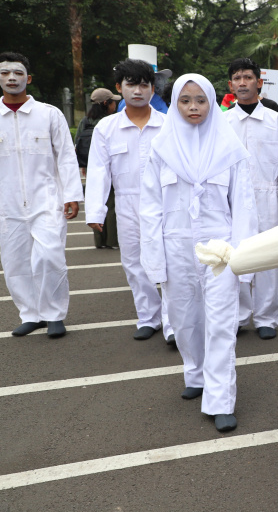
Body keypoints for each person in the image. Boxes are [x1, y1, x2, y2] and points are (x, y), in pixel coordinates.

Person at [140, 73, 257, 432]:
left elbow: (244, 206)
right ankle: (196, 374)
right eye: (185, 100)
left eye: (201, 100)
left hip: (219, 247)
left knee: (221, 322)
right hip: (175, 245)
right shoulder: (160, 149)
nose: (193, 107)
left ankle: (221, 398)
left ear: (211, 102)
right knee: (184, 317)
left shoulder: (231, 149)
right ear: (175, 104)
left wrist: (244, 259)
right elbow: (149, 208)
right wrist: (154, 260)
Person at [85, 59, 174, 343]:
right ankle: (149, 317)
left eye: (144, 84)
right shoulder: (106, 128)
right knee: (134, 262)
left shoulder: (169, 124)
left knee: (172, 263)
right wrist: (96, 210)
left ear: (153, 89)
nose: (138, 90)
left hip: (167, 203)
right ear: (118, 88)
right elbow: (99, 171)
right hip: (126, 203)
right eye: (131, 84)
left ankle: (174, 322)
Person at [0, 51, 83, 338]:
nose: (11, 78)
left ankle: (54, 314)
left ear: (28, 78)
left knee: (49, 257)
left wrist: (71, 194)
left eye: (18, 73)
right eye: (5, 73)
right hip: (7, 204)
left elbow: (66, 157)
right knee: (15, 263)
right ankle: (31, 314)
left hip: (47, 200)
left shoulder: (49, 114)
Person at [225, 57, 278, 340]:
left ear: (259, 82)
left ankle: (266, 317)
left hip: (268, 196)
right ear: (230, 84)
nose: (243, 83)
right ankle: (239, 315)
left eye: (248, 77)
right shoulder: (222, 122)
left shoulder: (276, 122)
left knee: (270, 257)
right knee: (236, 257)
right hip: (231, 200)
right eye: (237, 78)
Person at [75, 88, 120, 250]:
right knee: (112, 204)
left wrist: (85, 166)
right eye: (113, 101)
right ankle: (112, 240)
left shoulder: (85, 121)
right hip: (110, 166)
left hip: (89, 166)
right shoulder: (110, 121)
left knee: (97, 200)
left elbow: (77, 143)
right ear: (107, 103)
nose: (116, 104)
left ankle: (99, 241)